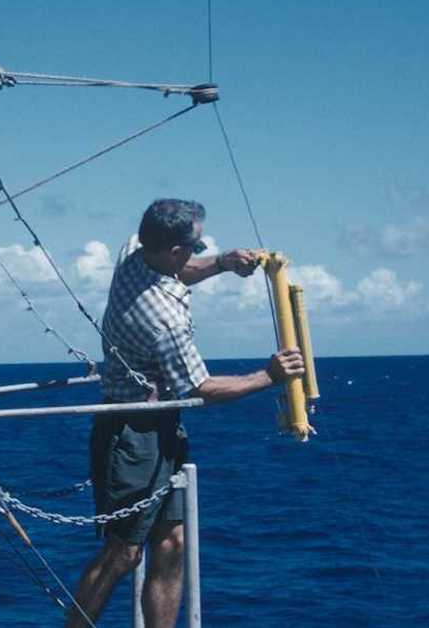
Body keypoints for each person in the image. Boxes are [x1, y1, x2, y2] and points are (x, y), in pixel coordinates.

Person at [66, 199, 305, 627]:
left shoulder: (133, 253)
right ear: (174, 249)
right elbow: (202, 388)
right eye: (195, 246)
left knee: (172, 543)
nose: (198, 252)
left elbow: (179, 269)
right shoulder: (163, 319)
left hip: (160, 427)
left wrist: (224, 263)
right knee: (123, 553)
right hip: (131, 435)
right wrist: (269, 376)